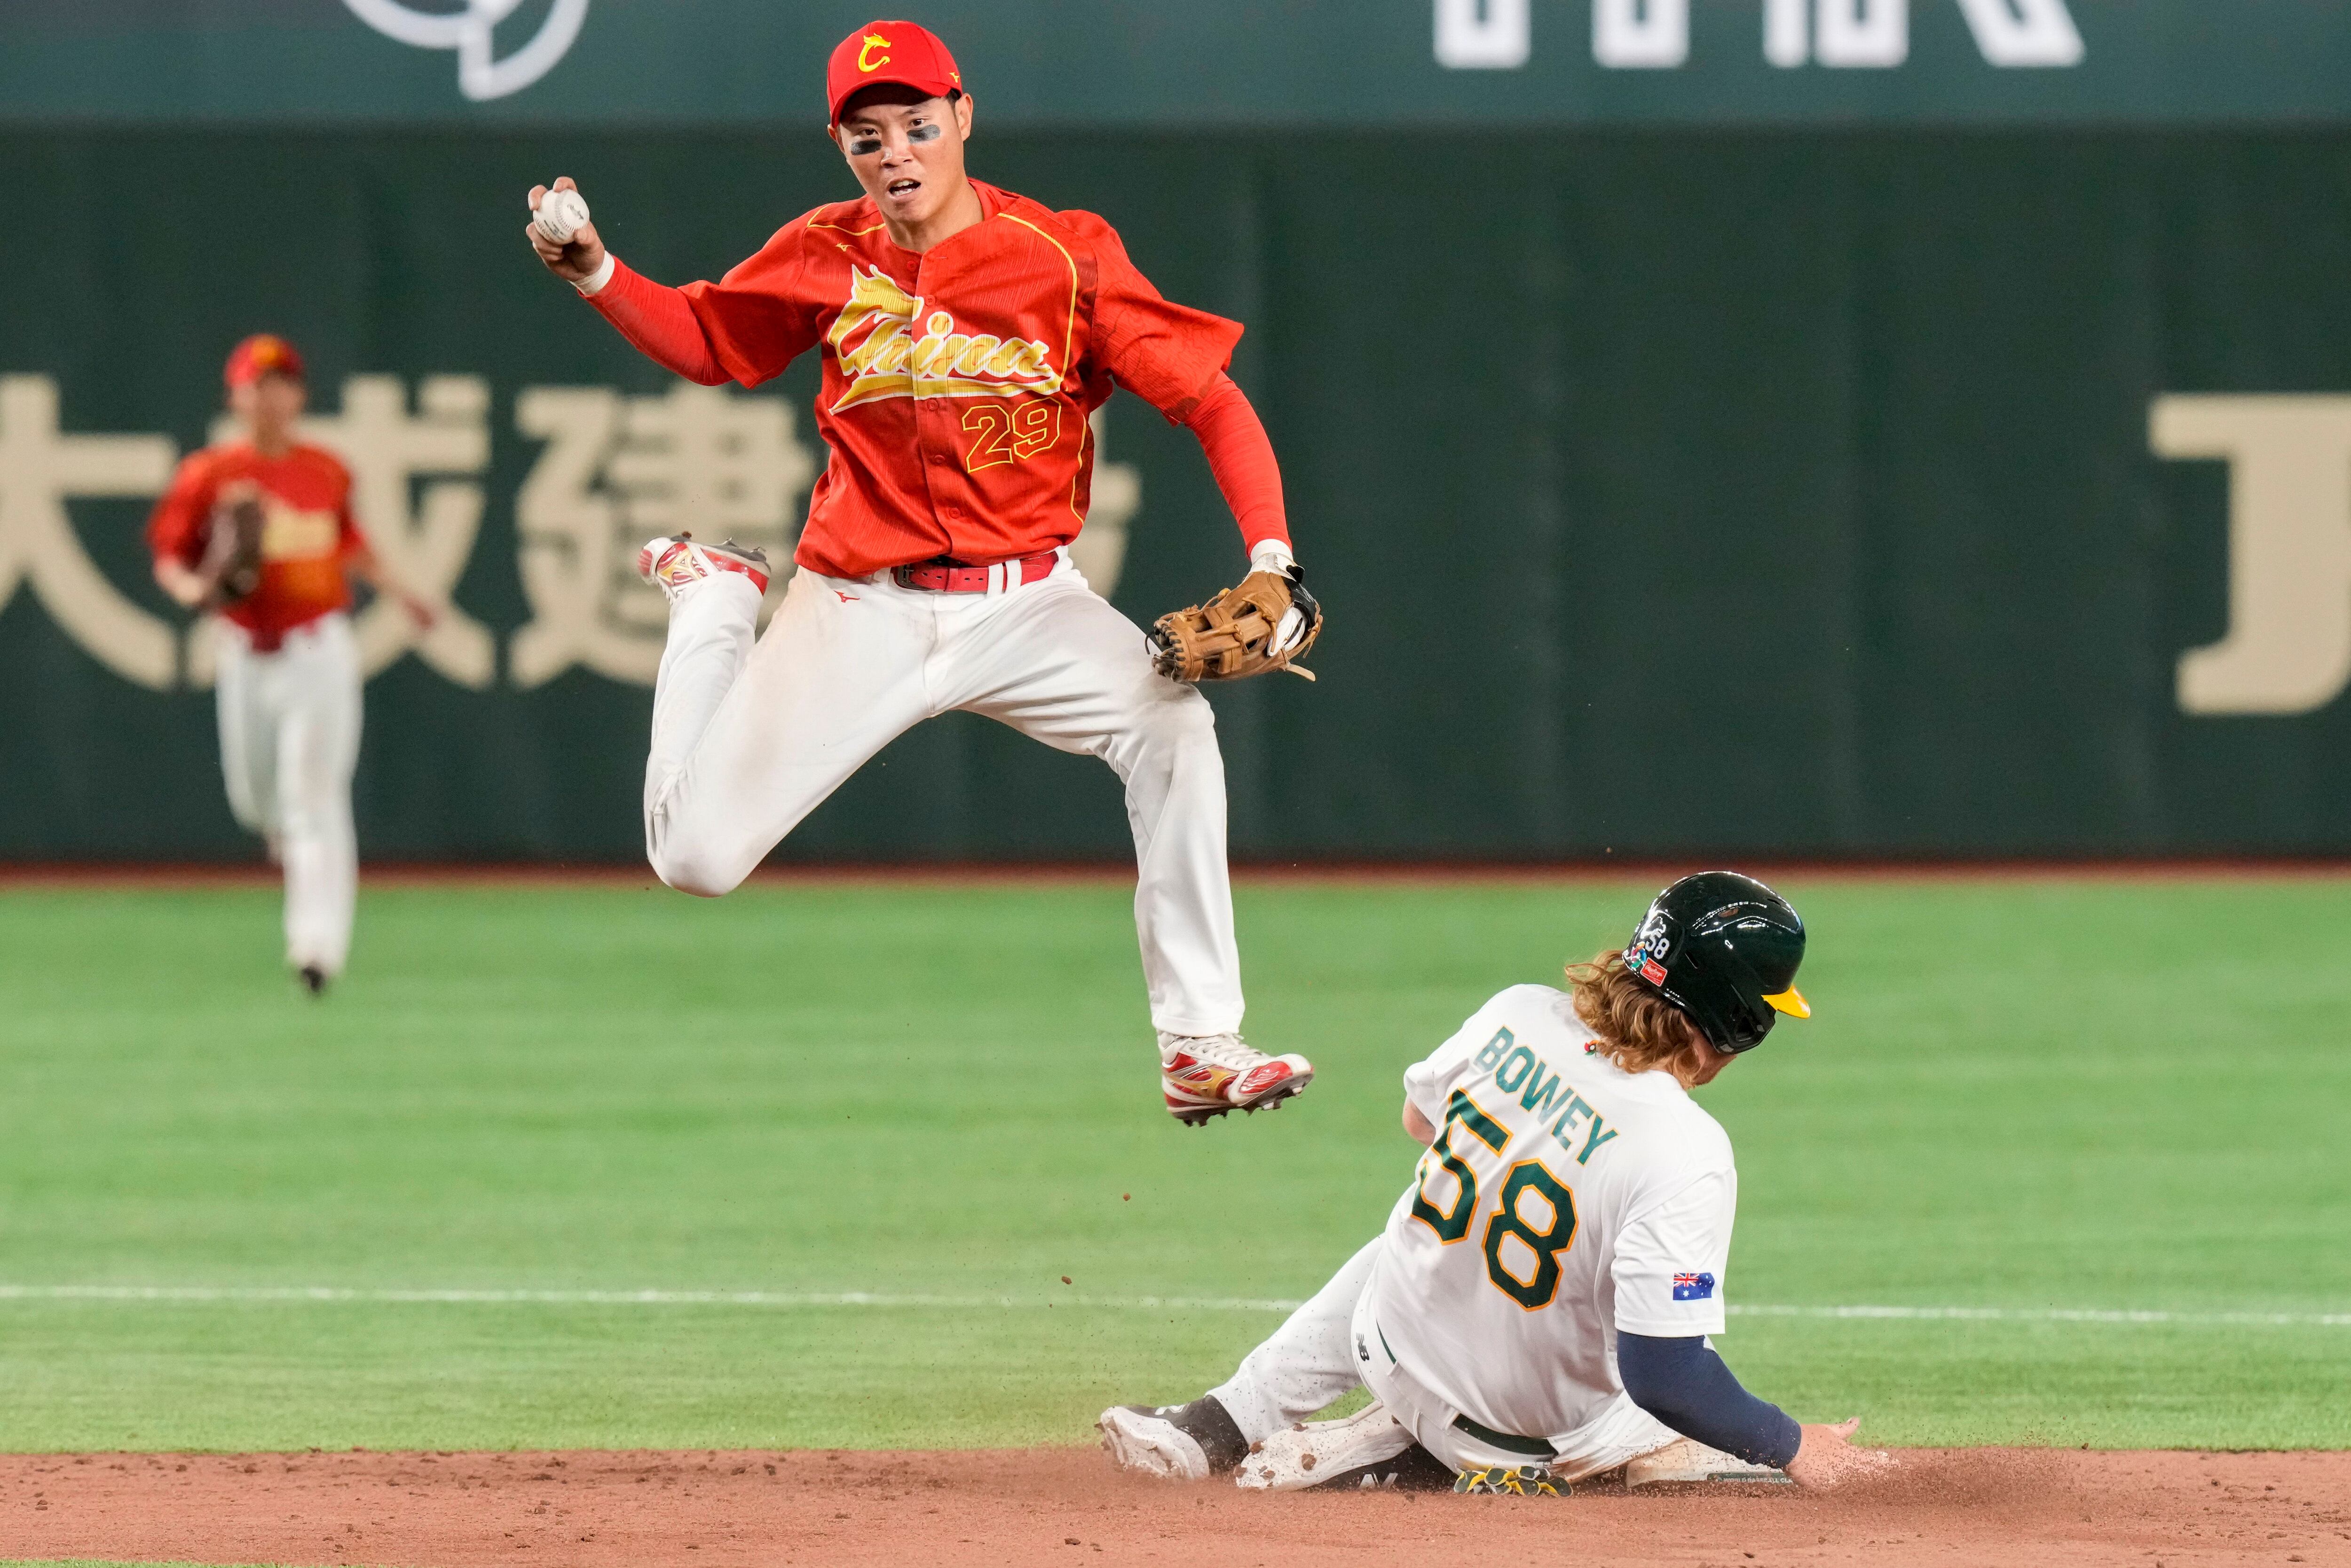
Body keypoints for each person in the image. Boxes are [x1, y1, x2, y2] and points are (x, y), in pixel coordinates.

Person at [523, 20, 1319, 1123]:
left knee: (1174, 727)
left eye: (915, 124)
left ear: (962, 118)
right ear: (843, 149)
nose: (894, 152)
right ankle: (715, 596)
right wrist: (598, 273)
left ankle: (1197, 1042)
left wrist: (1271, 556)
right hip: (862, 605)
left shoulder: (1063, 255)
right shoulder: (824, 249)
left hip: (1029, 604)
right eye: (867, 137)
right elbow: (712, 343)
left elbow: (1210, 403)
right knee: (694, 859)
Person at [1099, 873, 1891, 1491]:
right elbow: (1668, 1377)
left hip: (1386, 1341)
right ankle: (1396, 1454)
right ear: (1734, 1023)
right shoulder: (1688, 1150)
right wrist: (1794, 1445)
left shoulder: (1518, 1012)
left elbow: (1420, 1125)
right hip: (1514, 1434)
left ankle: (1216, 1424)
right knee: (1678, 1393)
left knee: (1415, 1233)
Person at [147, 334, 435, 994]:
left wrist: (404, 594)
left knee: (315, 798)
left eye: (283, 383)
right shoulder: (209, 475)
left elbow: (351, 542)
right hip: (245, 652)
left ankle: (317, 949)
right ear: (236, 396)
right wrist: (193, 588)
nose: (271, 395)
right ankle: (280, 835)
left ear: (299, 395)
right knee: (254, 799)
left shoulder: (325, 470)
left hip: (317, 651)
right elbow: (170, 554)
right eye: (257, 384)